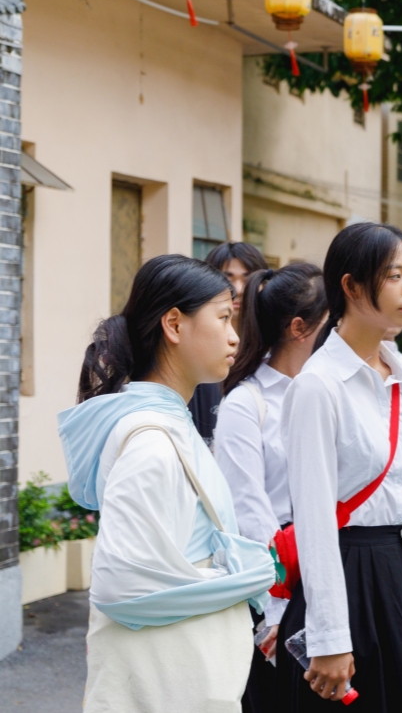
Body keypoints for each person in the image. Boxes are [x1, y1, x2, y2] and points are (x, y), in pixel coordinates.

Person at [57, 254, 277, 712]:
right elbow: (122, 586)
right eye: (222, 318)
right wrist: (246, 575)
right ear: (174, 325)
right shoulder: (152, 444)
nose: (235, 336)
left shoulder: (165, 428)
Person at [278, 222, 402, 712]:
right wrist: (331, 636)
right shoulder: (319, 386)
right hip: (350, 573)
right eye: (393, 274)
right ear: (352, 286)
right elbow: (314, 518)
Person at [214, 262, 327, 713]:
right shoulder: (247, 402)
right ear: (300, 328)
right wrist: (276, 612)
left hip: (334, 563)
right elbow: (248, 512)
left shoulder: (325, 389)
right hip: (281, 581)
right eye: (329, 322)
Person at [191, 242, 268, 445]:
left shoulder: (276, 350)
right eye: (228, 277)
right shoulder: (193, 349)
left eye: (248, 278)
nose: (239, 288)